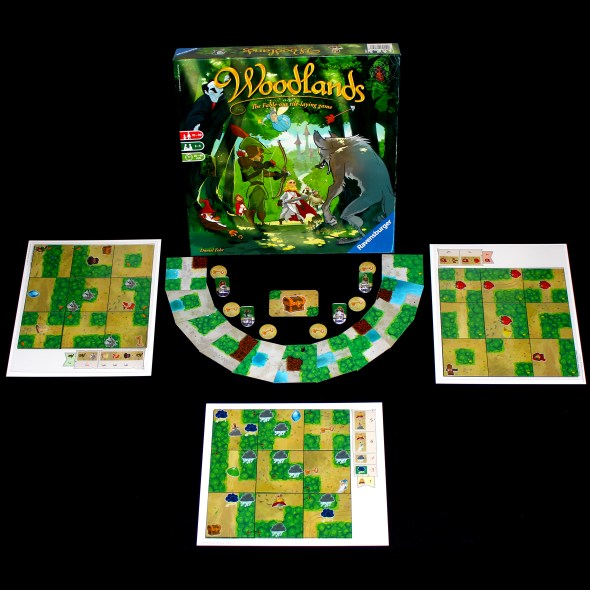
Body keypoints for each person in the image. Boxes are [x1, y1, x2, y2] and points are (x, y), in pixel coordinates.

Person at [184, 78, 230, 203]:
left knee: (207, 166)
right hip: (198, 138)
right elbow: (195, 114)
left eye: (221, 92)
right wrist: (196, 126)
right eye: (214, 90)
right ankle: (193, 196)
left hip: (211, 141)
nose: (217, 94)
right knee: (196, 167)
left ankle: (199, 195)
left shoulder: (220, 104)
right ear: (206, 90)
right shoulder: (203, 101)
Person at [237, 136, 288, 226]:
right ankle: (251, 222)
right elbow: (249, 175)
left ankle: (262, 222)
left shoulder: (257, 165)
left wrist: (280, 174)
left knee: (261, 206)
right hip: (255, 188)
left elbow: (266, 173)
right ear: (253, 151)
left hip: (260, 188)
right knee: (254, 205)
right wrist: (264, 165)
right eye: (260, 152)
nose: (261, 155)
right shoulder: (244, 162)